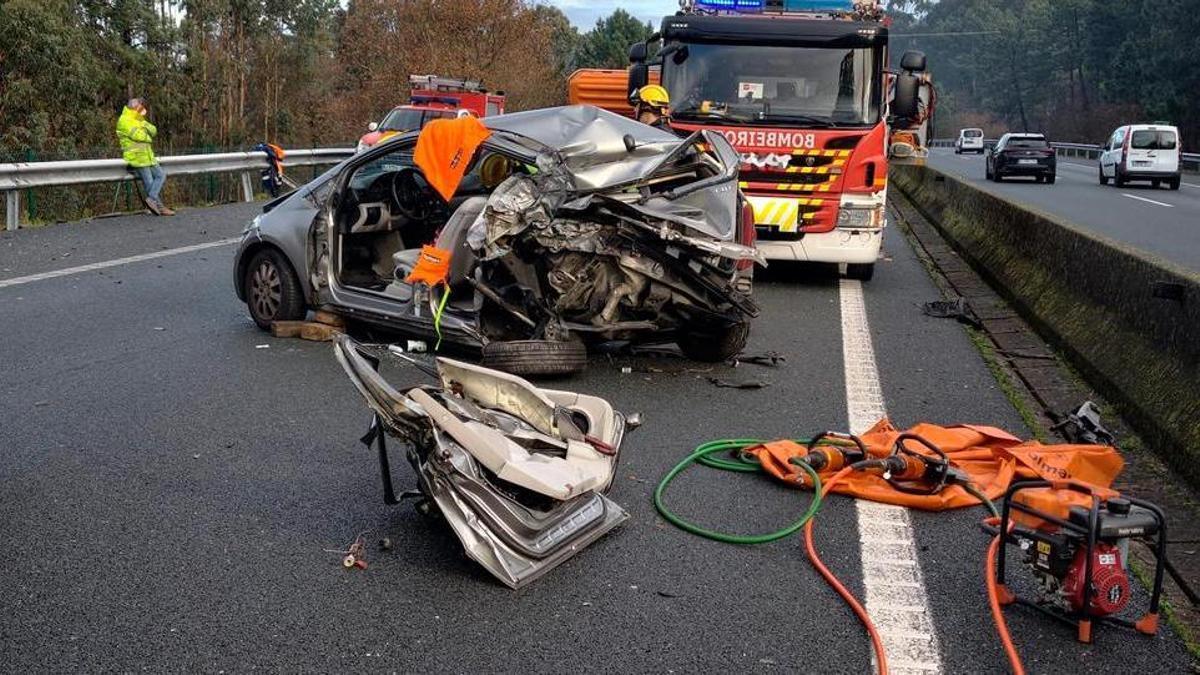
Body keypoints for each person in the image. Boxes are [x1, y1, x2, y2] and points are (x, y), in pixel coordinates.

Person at [116, 98, 174, 216]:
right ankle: (160, 207)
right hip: (136, 157)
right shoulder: (124, 120)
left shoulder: (138, 118)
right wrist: (147, 135)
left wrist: (144, 128)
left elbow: (153, 130)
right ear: (134, 106)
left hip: (147, 155)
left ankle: (152, 200)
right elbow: (138, 136)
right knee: (149, 182)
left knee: (161, 175)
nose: (142, 110)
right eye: (140, 107)